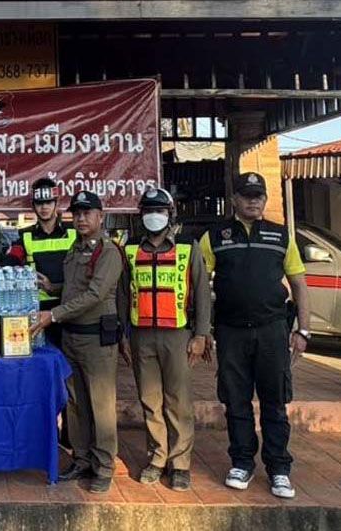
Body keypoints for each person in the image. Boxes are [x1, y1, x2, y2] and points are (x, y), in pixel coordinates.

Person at [200, 172, 310, 499]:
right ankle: (242, 462)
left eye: (258, 195)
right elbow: (200, 288)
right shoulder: (214, 237)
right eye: (246, 195)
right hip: (231, 332)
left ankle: (278, 468)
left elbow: (299, 284)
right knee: (236, 400)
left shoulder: (281, 237)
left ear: (265, 199)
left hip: (273, 331)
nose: (253, 200)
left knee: (275, 402)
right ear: (234, 199)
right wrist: (203, 330)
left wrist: (303, 330)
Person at [30, 191, 129, 494]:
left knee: (100, 406)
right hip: (72, 337)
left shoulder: (109, 252)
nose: (82, 218)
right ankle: (82, 458)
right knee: (77, 405)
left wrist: (53, 314)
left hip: (96, 339)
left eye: (88, 213)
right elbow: (76, 288)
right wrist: (53, 286)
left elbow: (96, 294)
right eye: (77, 213)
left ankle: (104, 466)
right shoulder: (76, 247)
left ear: (101, 216)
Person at [124, 187, 212, 491]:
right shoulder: (131, 248)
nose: (153, 216)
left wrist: (201, 334)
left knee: (178, 401)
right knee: (150, 400)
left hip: (178, 334)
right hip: (141, 335)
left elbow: (202, 292)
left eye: (159, 210)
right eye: (148, 210)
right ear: (140, 215)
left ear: (170, 214)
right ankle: (157, 457)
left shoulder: (188, 247)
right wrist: (125, 334)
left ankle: (180, 463)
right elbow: (124, 294)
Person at [6, 177, 77, 349]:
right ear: (33, 206)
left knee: (71, 367)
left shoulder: (74, 232)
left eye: (48, 202)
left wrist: (54, 287)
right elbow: (10, 262)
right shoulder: (24, 235)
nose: (44, 207)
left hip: (69, 308)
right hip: (37, 310)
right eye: (39, 203)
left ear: (56, 203)